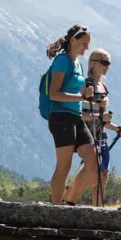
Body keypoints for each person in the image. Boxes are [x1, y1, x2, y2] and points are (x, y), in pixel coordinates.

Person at [38, 24, 98, 204]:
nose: (87, 48)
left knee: (92, 161)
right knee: (64, 167)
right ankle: (56, 210)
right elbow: (54, 93)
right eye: (84, 43)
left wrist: (89, 101)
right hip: (60, 117)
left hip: (76, 116)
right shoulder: (62, 61)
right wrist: (81, 97)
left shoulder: (78, 64)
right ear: (73, 40)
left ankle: (69, 201)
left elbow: (77, 97)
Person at [66, 48, 121, 207]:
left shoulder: (103, 87)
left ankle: (98, 207)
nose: (107, 66)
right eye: (104, 62)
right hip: (87, 136)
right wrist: (100, 116)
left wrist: (116, 129)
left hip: (101, 136)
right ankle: (69, 201)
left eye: (109, 63)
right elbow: (79, 114)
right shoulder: (86, 85)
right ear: (93, 63)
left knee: (103, 174)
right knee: (91, 171)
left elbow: (102, 116)